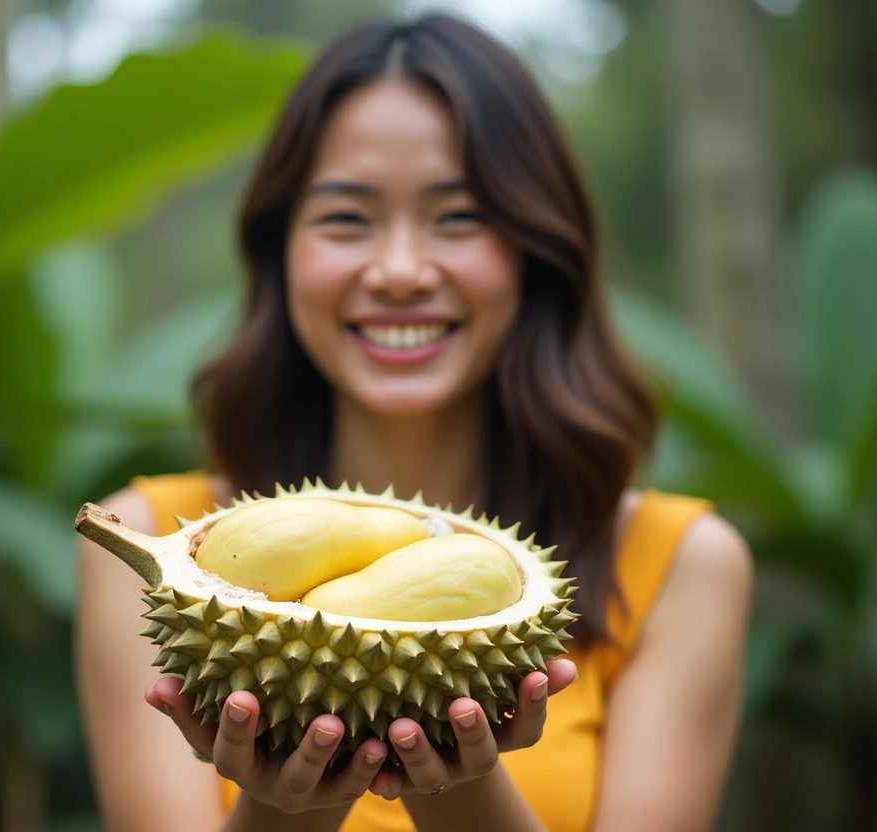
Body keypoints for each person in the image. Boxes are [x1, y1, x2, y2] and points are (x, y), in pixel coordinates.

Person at [76, 14, 752, 832]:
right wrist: (282, 801)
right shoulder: (147, 547)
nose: (399, 271)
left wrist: (454, 775)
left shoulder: (683, 566)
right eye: (346, 219)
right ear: (279, 250)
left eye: (460, 217)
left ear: (537, 250)